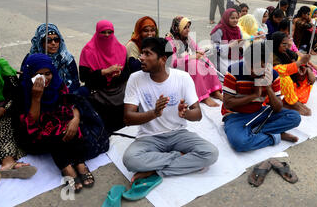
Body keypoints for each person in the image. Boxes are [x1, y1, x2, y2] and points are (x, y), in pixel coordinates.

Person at [122, 37, 218, 182]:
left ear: (162, 59)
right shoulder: (135, 79)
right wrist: (153, 113)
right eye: (142, 53)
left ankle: (154, 170)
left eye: (147, 54)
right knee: (130, 160)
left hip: (178, 134)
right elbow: (128, 118)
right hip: (149, 138)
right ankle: (178, 157)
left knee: (210, 153)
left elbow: (197, 114)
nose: (141, 58)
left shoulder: (182, 78)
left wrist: (185, 114)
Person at [19, 54, 94, 193]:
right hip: (34, 136)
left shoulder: (57, 84)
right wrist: (36, 98)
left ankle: (79, 162)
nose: (44, 79)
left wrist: (75, 119)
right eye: (38, 75)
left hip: (57, 121)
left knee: (74, 125)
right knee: (53, 131)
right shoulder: (24, 90)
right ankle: (65, 166)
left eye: (47, 74)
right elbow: (30, 124)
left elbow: (71, 104)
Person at [221, 40, 301, 152]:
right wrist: (254, 95)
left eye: (262, 66)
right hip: (236, 115)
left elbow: (277, 108)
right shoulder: (234, 71)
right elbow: (227, 104)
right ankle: (274, 135)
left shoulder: (272, 74)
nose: (257, 71)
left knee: (294, 117)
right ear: (246, 62)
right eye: (253, 66)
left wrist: (268, 87)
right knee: (240, 143)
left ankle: (256, 132)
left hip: (260, 112)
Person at [79, 20, 130, 133]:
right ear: (97, 33)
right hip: (98, 94)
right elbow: (84, 77)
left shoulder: (121, 49)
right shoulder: (88, 51)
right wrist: (105, 71)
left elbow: (127, 72)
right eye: (103, 32)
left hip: (119, 94)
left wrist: (120, 74)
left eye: (109, 32)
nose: (107, 35)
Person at [0, 45, 37, 181]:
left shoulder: (3, 68)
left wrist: (2, 110)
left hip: (4, 109)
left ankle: (8, 163)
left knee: (4, 127)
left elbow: (15, 95)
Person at [166, 16, 223, 107]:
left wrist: (201, 53)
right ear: (177, 28)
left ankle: (214, 91)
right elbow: (173, 63)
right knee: (194, 64)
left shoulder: (186, 38)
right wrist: (192, 57)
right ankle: (203, 97)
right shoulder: (169, 41)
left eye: (188, 27)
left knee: (206, 62)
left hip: (186, 62)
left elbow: (197, 48)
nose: (188, 30)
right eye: (185, 28)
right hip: (176, 69)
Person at [271, 32, 317, 116]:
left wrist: (307, 68)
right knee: (285, 78)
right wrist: (299, 63)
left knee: (306, 77)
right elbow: (278, 70)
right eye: (283, 44)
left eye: (287, 44)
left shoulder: (286, 51)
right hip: (273, 86)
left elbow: (299, 59)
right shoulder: (269, 53)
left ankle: (290, 100)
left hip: (291, 83)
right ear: (276, 43)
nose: (286, 47)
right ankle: (292, 103)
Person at [22, 24, 80, 94]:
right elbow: (24, 81)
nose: (53, 43)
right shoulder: (31, 59)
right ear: (40, 42)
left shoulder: (67, 58)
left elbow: (75, 82)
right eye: (48, 40)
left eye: (56, 39)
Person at [210, 8, 244, 78]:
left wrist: (241, 47)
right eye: (232, 18)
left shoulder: (237, 29)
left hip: (236, 57)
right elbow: (214, 48)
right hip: (223, 59)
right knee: (229, 75)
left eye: (237, 18)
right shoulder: (219, 30)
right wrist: (229, 46)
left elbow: (241, 44)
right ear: (226, 18)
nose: (235, 20)